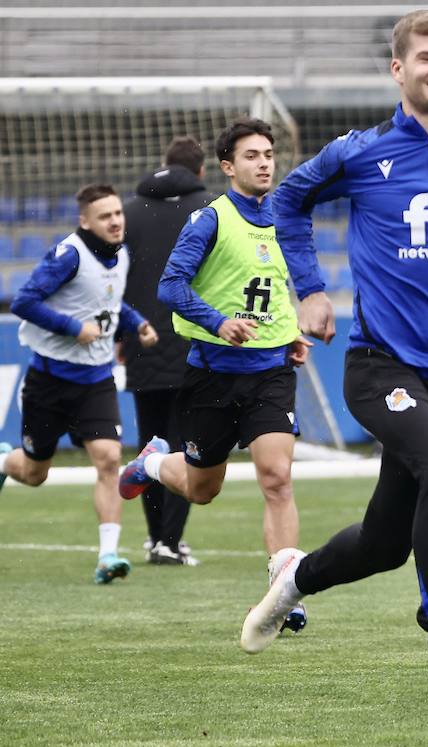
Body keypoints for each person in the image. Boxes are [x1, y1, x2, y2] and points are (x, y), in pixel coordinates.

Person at [242, 9, 428, 721]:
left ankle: (294, 579)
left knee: (384, 542)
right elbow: (287, 201)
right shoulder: (358, 150)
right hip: (380, 365)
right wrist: (310, 290)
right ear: (398, 69)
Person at [116, 118, 324, 632]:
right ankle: (154, 465)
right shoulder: (210, 219)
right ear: (228, 167)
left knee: (276, 477)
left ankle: (285, 593)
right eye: (252, 155)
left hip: (271, 373)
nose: (265, 163)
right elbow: (170, 287)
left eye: (269, 154)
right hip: (211, 376)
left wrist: (287, 333)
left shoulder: (282, 218)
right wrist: (218, 322)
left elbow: (273, 287)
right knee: (203, 489)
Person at [0, 184, 159, 583]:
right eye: (105, 216)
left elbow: (108, 301)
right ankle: (4, 460)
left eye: (117, 214)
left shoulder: (121, 254)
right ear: (85, 221)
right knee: (35, 474)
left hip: (96, 379)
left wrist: (136, 323)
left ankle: (108, 556)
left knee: (108, 458)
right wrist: (73, 329)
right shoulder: (68, 255)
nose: (115, 221)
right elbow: (24, 301)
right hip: (49, 381)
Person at [122, 135, 215, 566]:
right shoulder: (212, 210)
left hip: (142, 341)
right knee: (182, 444)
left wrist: (124, 336)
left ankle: (156, 537)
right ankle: (170, 542)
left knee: (149, 444)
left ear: (164, 163)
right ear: (200, 171)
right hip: (193, 341)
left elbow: (116, 278)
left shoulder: (129, 211)